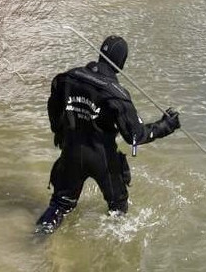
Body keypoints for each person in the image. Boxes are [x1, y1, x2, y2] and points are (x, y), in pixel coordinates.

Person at [35, 35, 181, 234]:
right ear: (120, 63)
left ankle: (37, 240)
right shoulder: (116, 94)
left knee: (60, 206)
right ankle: (115, 249)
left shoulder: (68, 77)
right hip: (102, 158)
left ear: (101, 54)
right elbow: (135, 137)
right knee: (118, 209)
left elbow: (53, 106)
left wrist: (58, 132)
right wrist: (167, 125)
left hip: (70, 153)